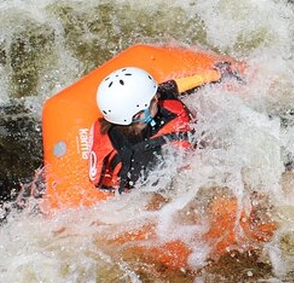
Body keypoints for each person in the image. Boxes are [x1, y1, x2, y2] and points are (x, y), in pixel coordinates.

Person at [88, 62, 237, 192]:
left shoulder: (120, 115)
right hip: (150, 179)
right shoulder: (142, 163)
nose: (158, 97)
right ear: (139, 115)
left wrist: (215, 75)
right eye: (153, 100)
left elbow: (171, 88)